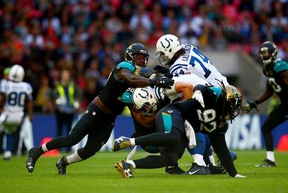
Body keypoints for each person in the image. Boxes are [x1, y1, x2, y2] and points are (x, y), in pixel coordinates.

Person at [25, 43, 174, 175]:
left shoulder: (140, 80)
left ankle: (63, 162)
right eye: (138, 57)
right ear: (130, 56)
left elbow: (136, 107)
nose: (142, 60)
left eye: (144, 57)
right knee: (72, 139)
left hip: (109, 118)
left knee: (90, 150)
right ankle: (36, 151)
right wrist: (154, 81)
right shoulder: (124, 67)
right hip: (97, 109)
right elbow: (130, 79)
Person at [112, 84, 245, 178]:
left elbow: (222, 149)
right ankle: (128, 141)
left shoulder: (221, 124)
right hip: (174, 112)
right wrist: (198, 92)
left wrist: (234, 174)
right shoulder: (216, 96)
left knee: (169, 159)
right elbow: (202, 87)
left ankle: (128, 164)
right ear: (227, 102)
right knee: (172, 136)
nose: (235, 111)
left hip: (184, 126)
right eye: (234, 107)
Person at [153, 33, 231, 174]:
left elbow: (186, 84)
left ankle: (199, 162)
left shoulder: (178, 67)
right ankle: (213, 163)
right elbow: (192, 72)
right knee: (203, 123)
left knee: (189, 116)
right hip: (224, 90)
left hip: (213, 95)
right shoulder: (188, 47)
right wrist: (170, 74)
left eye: (163, 54)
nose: (162, 58)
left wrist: (167, 78)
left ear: (171, 51)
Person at [241, 41, 288, 167]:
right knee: (266, 127)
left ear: (274, 54)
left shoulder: (281, 66)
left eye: (267, 53)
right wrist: (254, 103)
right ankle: (270, 160)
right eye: (262, 53)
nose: (264, 55)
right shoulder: (267, 69)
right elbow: (269, 90)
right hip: (284, 105)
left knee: (266, 127)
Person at [0, 64, 33, 160]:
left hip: (7, 114)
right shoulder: (26, 86)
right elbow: (29, 101)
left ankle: (7, 152)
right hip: (19, 116)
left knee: (5, 130)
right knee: (8, 131)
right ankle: (8, 153)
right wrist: (31, 114)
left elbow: (3, 99)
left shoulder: (5, 84)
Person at [53, 69, 80, 148]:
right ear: (61, 76)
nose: (65, 76)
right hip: (60, 111)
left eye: (67, 75)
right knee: (59, 130)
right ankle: (58, 148)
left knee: (69, 131)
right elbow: (53, 96)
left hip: (70, 111)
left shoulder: (72, 85)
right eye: (64, 75)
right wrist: (56, 105)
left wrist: (77, 103)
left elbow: (77, 95)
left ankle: (68, 148)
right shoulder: (57, 85)